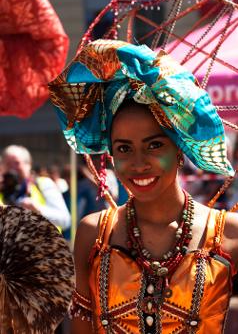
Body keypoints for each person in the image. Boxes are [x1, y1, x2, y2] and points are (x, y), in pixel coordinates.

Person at [49, 39, 238, 333]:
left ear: (179, 149)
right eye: (124, 149)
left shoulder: (229, 234)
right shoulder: (93, 233)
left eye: (154, 145)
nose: (138, 164)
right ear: (110, 154)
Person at [0, 145, 71, 231]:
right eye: (7, 164)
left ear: (28, 165)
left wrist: (38, 210)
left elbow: (65, 220)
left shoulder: (43, 184)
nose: (12, 168)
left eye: (16, 163)